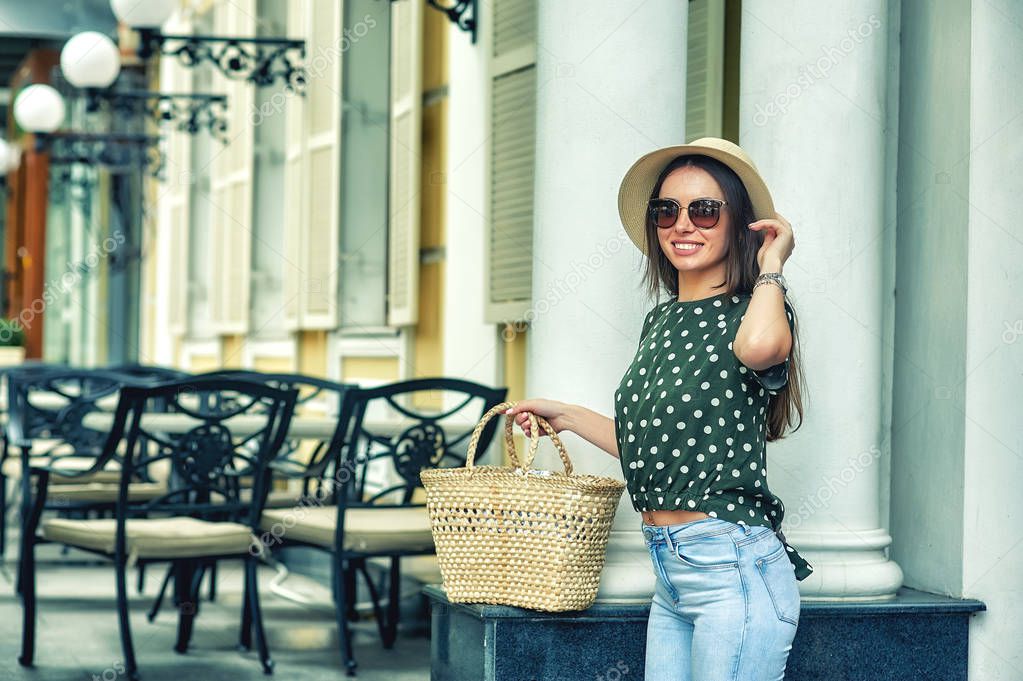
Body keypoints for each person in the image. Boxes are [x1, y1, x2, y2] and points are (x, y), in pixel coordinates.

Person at [505, 137, 812, 681]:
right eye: (667, 210)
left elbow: (760, 349)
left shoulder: (755, 309)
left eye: (705, 210)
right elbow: (651, 445)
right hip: (670, 570)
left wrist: (771, 264)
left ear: (740, 222)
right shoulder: (662, 322)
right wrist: (569, 416)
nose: (683, 225)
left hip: (731, 564)